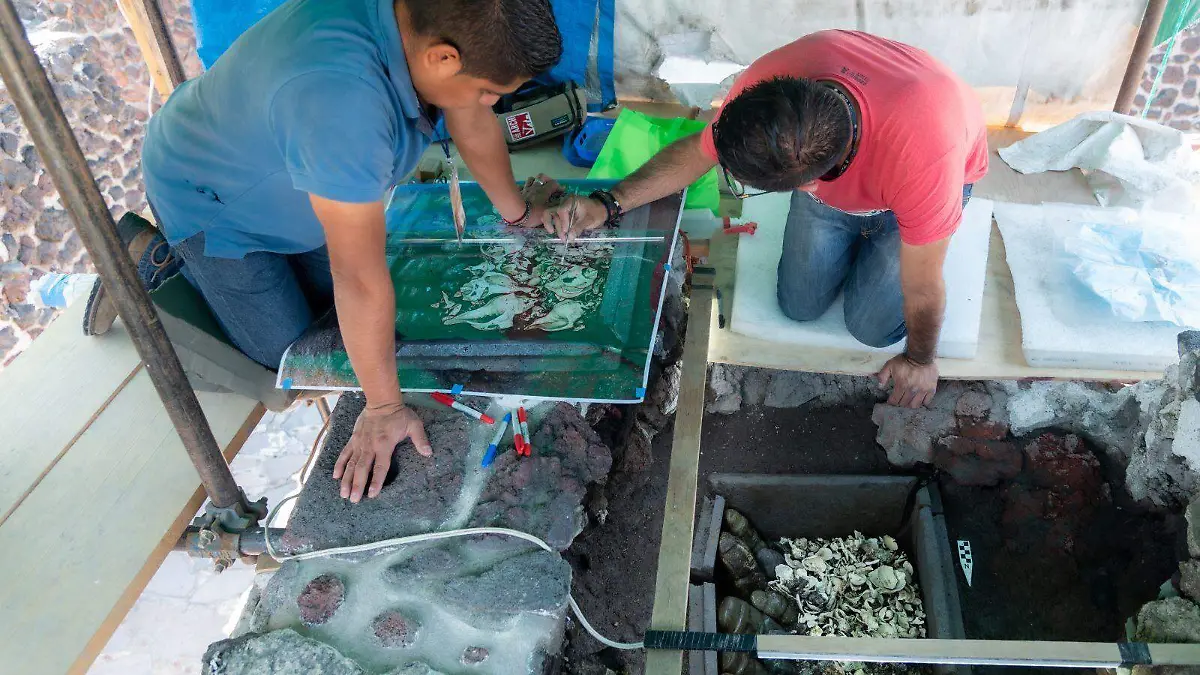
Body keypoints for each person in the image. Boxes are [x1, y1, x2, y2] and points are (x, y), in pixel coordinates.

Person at [93, 0, 565, 502]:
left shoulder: (425, 21)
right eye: (490, 91)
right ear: (443, 60)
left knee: (350, 329)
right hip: (210, 193)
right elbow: (358, 277)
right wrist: (383, 409)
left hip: (282, 164)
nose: (491, 102)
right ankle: (151, 260)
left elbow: (469, 117)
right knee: (289, 364)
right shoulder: (344, 105)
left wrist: (516, 214)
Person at [549, 30, 988, 410]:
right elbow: (696, 152)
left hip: (928, 159)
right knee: (799, 305)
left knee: (870, 329)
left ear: (810, 186)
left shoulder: (925, 163)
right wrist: (607, 203)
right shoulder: (768, 94)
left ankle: (888, 232)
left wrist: (919, 360)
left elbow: (923, 287)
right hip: (869, 147)